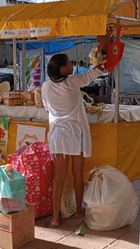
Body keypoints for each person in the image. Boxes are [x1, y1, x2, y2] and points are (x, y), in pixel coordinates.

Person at [42, 53, 107, 227]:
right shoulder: (71, 83)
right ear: (63, 69)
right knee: (78, 174)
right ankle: (79, 211)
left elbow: (47, 108)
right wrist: (102, 55)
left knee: (59, 177)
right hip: (75, 134)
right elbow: (93, 74)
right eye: (70, 63)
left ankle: (55, 217)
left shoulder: (46, 86)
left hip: (58, 135)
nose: (72, 65)